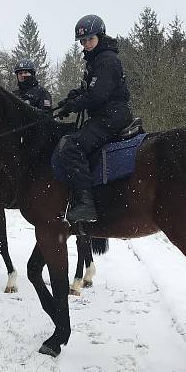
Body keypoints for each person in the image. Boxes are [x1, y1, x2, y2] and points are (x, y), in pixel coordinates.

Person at [56, 14, 132, 223]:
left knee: (71, 146)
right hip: (106, 114)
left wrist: (74, 105)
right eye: (83, 41)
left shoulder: (106, 60)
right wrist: (69, 100)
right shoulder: (96, 60)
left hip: (111, 116)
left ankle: (85, 205)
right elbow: (88, 89)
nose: (86, 44)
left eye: (90, 39)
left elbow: (98, 95)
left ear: (100, 36)